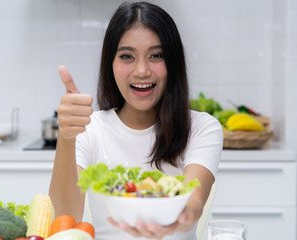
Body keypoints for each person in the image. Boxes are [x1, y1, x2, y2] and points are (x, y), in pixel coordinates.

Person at [49, 2, 223, 240]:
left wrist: (174, 220)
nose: (141, 70)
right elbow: (65, 217)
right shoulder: (90, 129)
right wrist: (67, 137)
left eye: (156, 55)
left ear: (173, 63)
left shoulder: (203, 128)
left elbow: (193, 204)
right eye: (127, 56)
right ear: (110, 64)